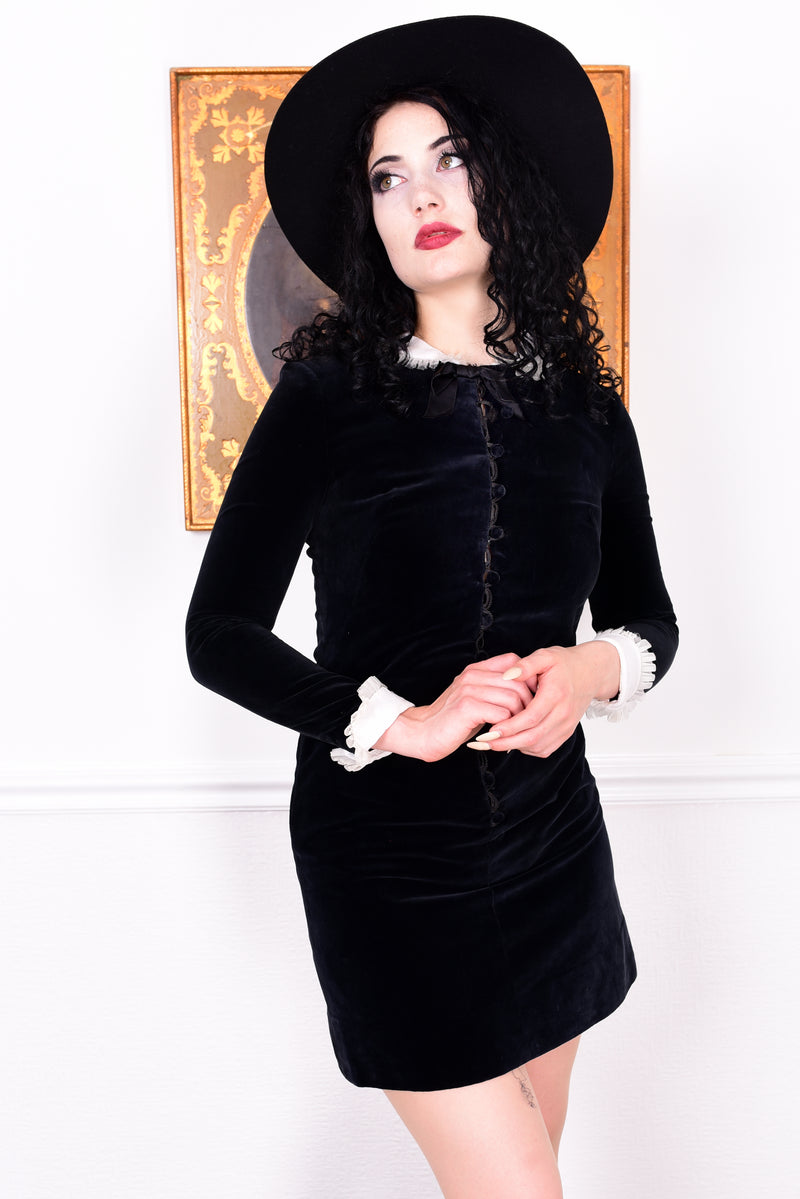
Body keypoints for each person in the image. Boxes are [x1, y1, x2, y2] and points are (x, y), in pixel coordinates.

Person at [186, 16, 678, 1198]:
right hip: (390, 861)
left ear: (503, 177)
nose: (419, 195)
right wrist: (397, 720)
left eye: (449, 158)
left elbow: (647, 618)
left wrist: (586, 671)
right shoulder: (323, 398)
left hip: (552, 844)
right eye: (386, 176)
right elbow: (219, 636)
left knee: (527, 1172)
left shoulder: (587, 411)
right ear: (369, 219)